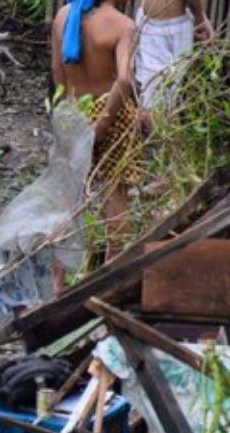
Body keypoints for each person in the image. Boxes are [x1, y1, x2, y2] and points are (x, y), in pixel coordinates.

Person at [51, 0, 138, 261]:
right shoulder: (123, 26)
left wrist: (70, 117)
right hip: (113, 117)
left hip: (74, 114)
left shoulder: (63, 16)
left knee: (65, 199)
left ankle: (57, 281)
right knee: (115, 197)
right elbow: (124, 80)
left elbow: (57, 73)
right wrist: (100, 125)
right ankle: (111, 272)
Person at [135, 0, 214, 109]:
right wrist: (200, 18)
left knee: (155, 98)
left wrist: (200, 18)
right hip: (161, 25)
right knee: (158, 99)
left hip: (156, 21)